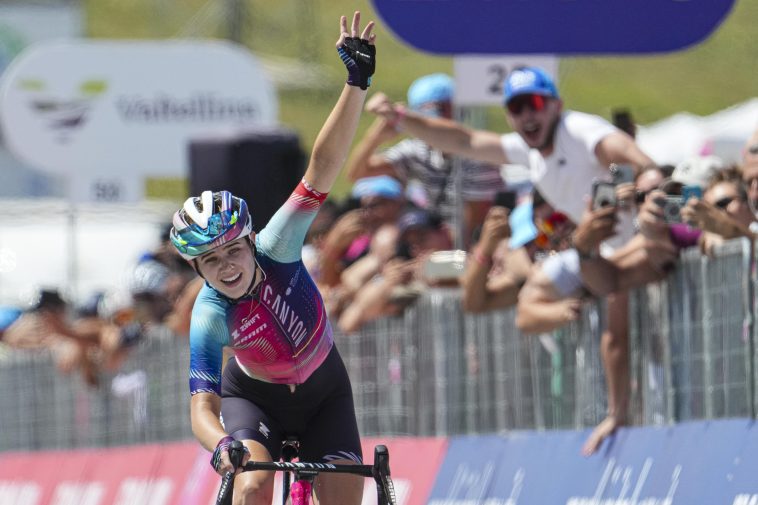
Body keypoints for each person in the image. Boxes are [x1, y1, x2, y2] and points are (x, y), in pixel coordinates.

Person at [367, 65, 656, 455]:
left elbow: (627, 154)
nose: (527, 115)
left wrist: (643, 177)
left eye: (535, 104)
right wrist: (401, 120)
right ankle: (618, 410)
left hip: (636, 243)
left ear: (557, 104)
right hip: (594, 252)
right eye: (516, 109)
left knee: (622, 332)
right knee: (544, 298)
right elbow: (463, 139)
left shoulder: (579, 132)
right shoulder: (526, 152)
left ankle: (622, 414)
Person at [168, 12, 375, 505]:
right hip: (253, 400)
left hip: (324, 392)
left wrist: (356, 83)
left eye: (233, 250)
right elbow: (203, 406)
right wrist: (220, 446)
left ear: (251, 240)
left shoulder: (278, 244)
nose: (228, 266)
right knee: (255, 485)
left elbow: (322, 168)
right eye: (211, 261)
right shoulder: (210, 313)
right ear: (196, 269)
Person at [347, 73, 506, 248]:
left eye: (443, 110)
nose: (437, 122)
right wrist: (375, 136)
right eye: (427, 114)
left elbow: (468, 231)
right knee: (386, 241)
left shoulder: (477, 158)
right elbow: (358, 173)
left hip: (479, 244)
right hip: (439, 237)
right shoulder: (417, 149)